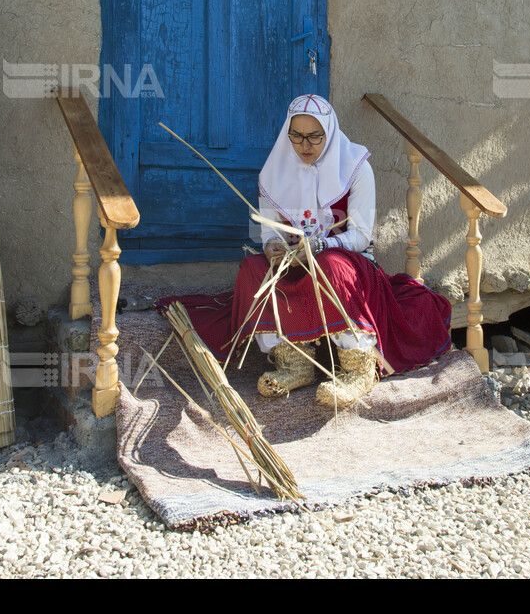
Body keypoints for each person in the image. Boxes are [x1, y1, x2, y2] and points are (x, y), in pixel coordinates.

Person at [160, 95, 453, 409]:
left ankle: (357, 367)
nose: (305, 145)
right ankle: (293, 362)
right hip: (294, 262)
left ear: (329, 131)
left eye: (315, 136)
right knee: (253, 269)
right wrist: (273, 247)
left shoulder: (356, 169)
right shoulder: (273, 174)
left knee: (329, 265)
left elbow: (360, 236)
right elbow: (269, 230)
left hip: (349, 263)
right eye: (296, 136)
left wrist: (320, 245)